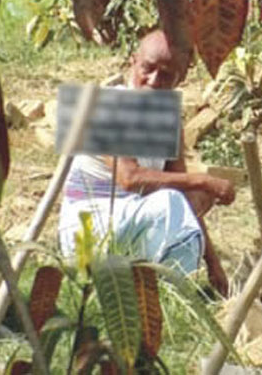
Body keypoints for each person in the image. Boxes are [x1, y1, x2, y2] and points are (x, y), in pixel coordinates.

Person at [58, 30, 234, 296]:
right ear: (133, 62)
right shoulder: (105, 105)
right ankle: (172, 293)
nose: (154, 81)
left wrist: (214, 264)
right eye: (148, 69)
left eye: (166, 75)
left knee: (191, 198)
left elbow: (185, 196)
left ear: (180, 78)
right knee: (174, 200)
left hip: (123, 226)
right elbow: (130, 178)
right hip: (85, 238)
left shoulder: (167, 119)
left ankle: (163, 292)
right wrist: (205, 179)